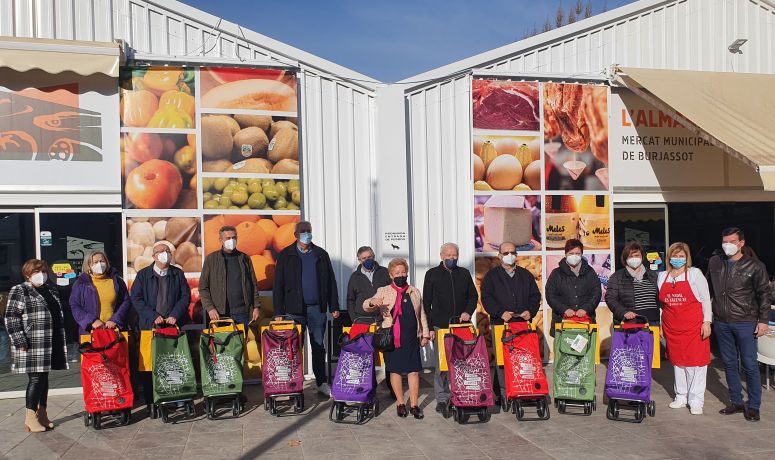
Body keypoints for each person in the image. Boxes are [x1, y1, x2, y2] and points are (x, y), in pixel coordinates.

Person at [706, 227, 770, 422]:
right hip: (722, 322)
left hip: (746, 321)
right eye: (724, 241)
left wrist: (763, 320)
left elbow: (764, 294)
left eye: (732, 242)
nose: (727, 245)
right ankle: (736, 401)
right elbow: (707, 290)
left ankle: (753, 406)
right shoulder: (716, 263)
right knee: (729, 363)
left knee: (750, 364)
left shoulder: (755, 266)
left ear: (741, 243)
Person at [273, 221, 340, 397]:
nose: (306, 234)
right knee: (293, 348)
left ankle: (321, 382)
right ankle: (294, 383)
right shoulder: (286, 255)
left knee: (318, 346)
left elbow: (330, 281)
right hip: (293, 311)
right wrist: (278, 312)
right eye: (302, 231)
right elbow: (278, 285)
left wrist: (333, 305)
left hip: (317, 309)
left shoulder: (320, 254)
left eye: (308, 231)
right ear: (295, 235)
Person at [4, 259, 68, 432]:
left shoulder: (51, 289)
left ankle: (42, 414)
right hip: (31, 342)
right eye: (36, 272)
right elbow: (11, 317)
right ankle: (30, 417)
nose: (41, 275)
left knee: (44, 378)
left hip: (49, 340)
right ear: (27, 274)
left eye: (44, 271)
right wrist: (19, 339)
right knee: (36, 378)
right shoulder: (20, 290)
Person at [363, 258, 430, 419]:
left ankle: (414, 405)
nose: (401, 275)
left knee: (414, 371)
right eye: (397, 273)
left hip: (411, 337)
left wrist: (425, 334)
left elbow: (421, 314)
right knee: (395, 370)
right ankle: (400, 403)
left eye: (403, 272)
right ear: (391, 275)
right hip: (392, 337)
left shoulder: (414, 291)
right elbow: (365, 305)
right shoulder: (384, 290)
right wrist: (373, 302)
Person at [130, 242, 191, 412]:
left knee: (174, 363)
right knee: (149, 366)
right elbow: (136, 299)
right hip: (149, 327)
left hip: (172, 326)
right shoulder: (143, 275)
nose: (165, 254)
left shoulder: (177, 274)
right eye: (160, 252)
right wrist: (152, 316)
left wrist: (174, 315)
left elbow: (185, 297)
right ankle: (151, 401)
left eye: (167, 251)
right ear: (153, 256)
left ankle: (176, 397)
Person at [480, 241, 541, 404]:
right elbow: (486, 298)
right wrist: (500, 312)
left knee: (522, 358)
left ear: (517, 255)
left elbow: (535, 296)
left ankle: (522, 389)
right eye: (505, 253)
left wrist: (530, 310)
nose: (509, 256)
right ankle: (504, 393)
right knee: (502, 360)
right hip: (501, 324)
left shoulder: (526, 275)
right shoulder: (491, 277)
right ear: (499, 256)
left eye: (512, 252)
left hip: (522, 325)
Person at [422, 242, 478, 415]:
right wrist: (430, 328)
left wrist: (468, 312)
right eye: (449, 255)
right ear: (441, 256)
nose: (452, 258)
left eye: (455, 255)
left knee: (463, 363)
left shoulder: (464, 273)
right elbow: (426, 303)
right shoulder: (432, 274)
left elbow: (473, 296)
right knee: (443, 365)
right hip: (441, 327)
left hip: (461, 327)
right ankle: (442, 398)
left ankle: (462, 393)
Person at [657, 242, 712, 415]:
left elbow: (705, 299)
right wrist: (660, 324)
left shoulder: (695, 274)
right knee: (677, 363)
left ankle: (696, 400)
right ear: (669, 257)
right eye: (674, 255)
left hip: (694, 327)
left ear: (687, 258)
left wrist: (707, 322)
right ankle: (681, 396)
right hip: (672, 327)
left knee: (696, 364)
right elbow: (662, 305)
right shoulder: (662, 276)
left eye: (681, 256)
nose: (677, 259)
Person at [199, 225, 261, 332]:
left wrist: (256, 307)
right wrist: (210, 308)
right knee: (222, 346)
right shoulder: (211, 259)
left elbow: (253, 284)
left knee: (240, 345)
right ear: (221, 240)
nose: (231, 240)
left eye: (234, 237)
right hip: (220, 313)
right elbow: (203, 287)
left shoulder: (245, 258)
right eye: (228, 238)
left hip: (242, 313)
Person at [546, 239, 602, 332]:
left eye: (577, 253)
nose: (574, 256)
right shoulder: (556, 273)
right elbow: (550, 296)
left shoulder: (590, 272)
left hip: (585, 322)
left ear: (582, 254)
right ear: (565, 254)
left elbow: (596, 293)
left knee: (586, 346)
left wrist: (585, 309)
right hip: (562, 322)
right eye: (571, 253)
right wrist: (564, 310)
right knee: (563, 346)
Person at [70, 251, 131, 335]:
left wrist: (115, 320)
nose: (99, 264)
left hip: (114, 331)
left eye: (102, 261)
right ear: (89, 265)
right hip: (90, 332)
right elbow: (75, 305)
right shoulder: (81, 283)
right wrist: (92, 321)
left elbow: (125, 301)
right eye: (95, 262)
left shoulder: (117, 281)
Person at [605, 242, 660, 325]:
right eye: (630, 256)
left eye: (637, 255)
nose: (634, 258)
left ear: (642, 256)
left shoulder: (652, 275)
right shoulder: (617, 276)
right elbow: (610, 298)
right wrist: (624, 312)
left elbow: (659, 298)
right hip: (631, 322)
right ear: (625, 258)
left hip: (653, 322)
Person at [346, 246, 391, 321]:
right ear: (360, 260)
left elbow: (393, 291)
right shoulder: (354, 277)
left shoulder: (385, 272)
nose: (367, 260)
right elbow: (350, 299)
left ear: (373, 257)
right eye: (364, 258)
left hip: (383, 318)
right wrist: (354, 319)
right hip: (362, 319)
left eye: (369, 257)